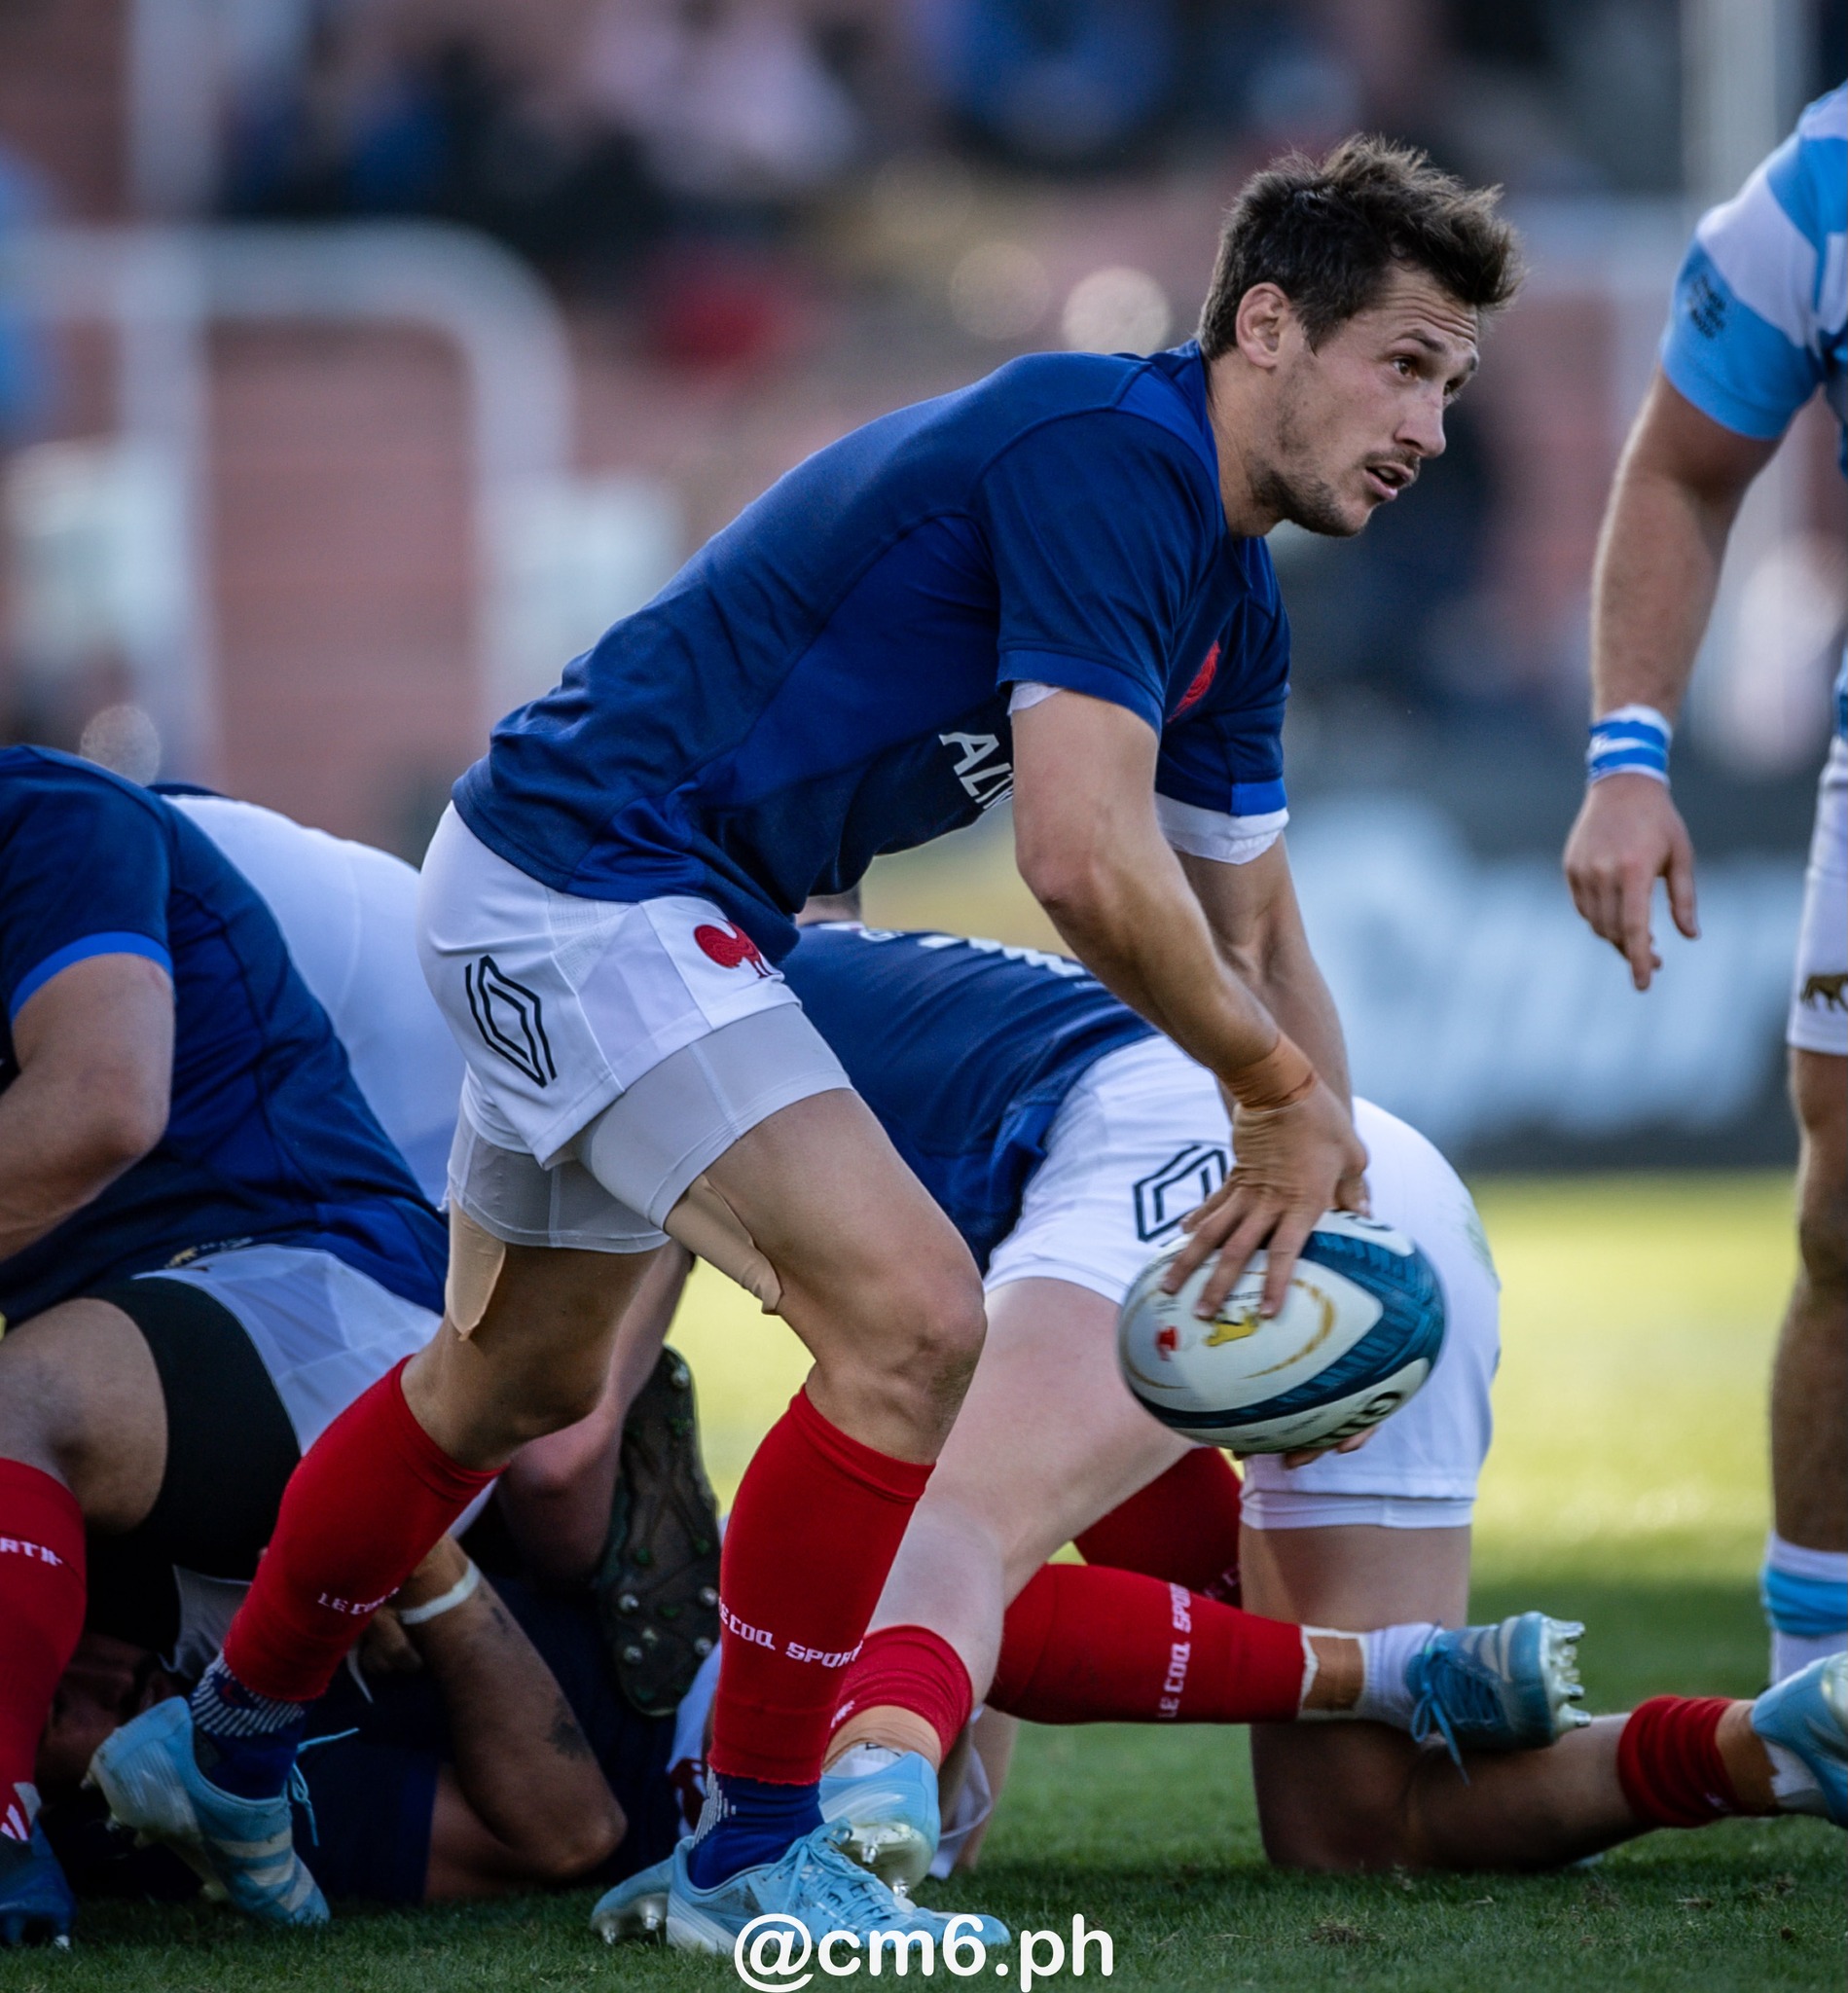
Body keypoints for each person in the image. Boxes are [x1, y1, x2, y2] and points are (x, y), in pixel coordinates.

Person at [99, 133, 1518, 1952]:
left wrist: (1336, 1185)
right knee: (912, 1324)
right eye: (1402, 364)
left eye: (1449, 385)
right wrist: (1266, 1093)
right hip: (596, 880)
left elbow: (1254, 930)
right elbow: (1080, 857)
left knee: (508, 1387)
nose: (1427, 426)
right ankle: (750, 1852)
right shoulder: (1109, 452)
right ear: (1263, 325)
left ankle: (225, 1740)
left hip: (607, 889)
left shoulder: (1227, 605)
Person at [587, 908, 1844, 1938]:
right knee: (1354, 1825)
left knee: (933, 1541)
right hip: (1363, 1189)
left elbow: (568, 1438)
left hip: (1190, 1182)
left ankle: (831, 1852)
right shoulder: (796, 962)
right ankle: (1757, 1749)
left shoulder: (638, 1013)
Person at [0, 750, 450, 1946]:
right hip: (161, 1382)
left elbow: (102, 1104)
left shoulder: (46, 813)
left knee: (21, 1398)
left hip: (336, 1301)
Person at [1562, 84, 1846, 1684]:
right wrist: (1626, 755)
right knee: (1843, 1216)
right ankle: (1818, 1700)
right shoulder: (1818, 182)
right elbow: (1677, 465)